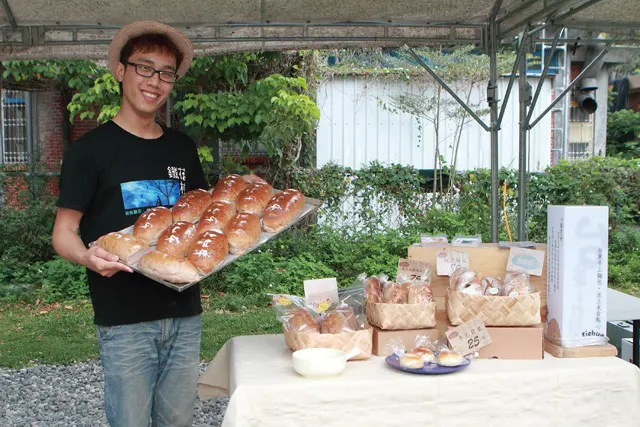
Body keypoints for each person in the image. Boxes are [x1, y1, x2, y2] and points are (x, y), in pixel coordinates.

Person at [52, 21, 262, 427]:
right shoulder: (89, 152)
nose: (155, 81)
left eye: (166, 73)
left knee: (178, 421)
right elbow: (63, 232)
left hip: (184, 312)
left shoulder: (181, 147)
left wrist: (240, 189)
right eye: (144, 68)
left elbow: (201, 215)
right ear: (120, 70)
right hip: (124, 317)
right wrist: (88, 257)